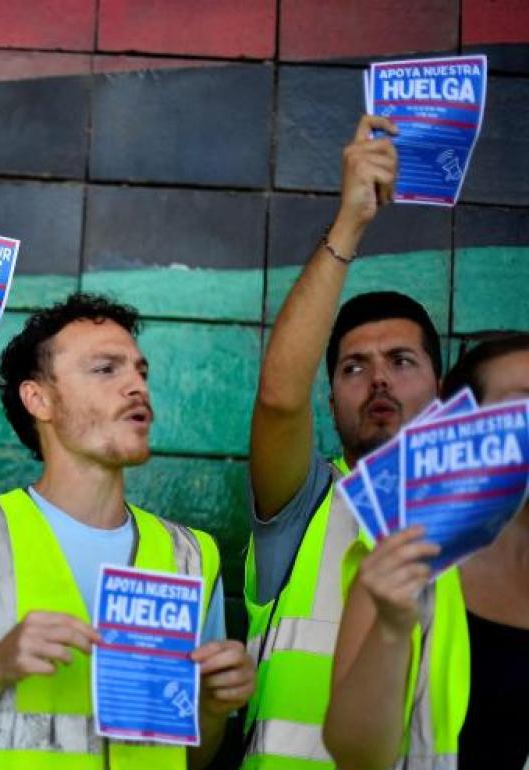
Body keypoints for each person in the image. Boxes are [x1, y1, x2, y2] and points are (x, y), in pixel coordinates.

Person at [0, 293, 254, 769]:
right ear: (37, 398)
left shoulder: (192, 555)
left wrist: (210, 706)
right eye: (106, 369)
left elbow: (190, 758)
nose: (135, 386)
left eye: (140, 371)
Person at [240, 115, 445, 768]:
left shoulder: (489, 522)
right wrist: (350, 222)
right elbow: (278, 398)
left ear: (442, 390)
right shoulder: (305, 505)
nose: (379, 378)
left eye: (402, 362)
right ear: (329, 398)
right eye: (354, 367)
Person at [324, 333, 529, 769]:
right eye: (523, 405)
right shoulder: (402, 562)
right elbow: (356, 755)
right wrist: (392, 629)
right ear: (463, 432)